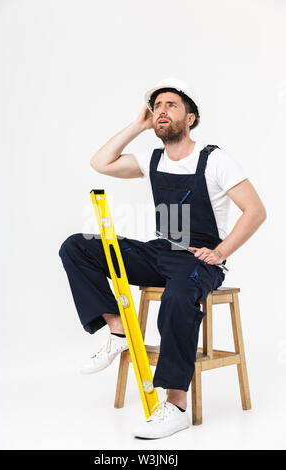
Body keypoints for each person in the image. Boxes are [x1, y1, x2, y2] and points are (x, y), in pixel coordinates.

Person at [59, 78, 266, 439]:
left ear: (191, 118)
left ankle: (175, 404)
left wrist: (220, 252)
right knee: (77, 246)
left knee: (176, 297)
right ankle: (119, 330)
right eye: (156, 107)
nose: (161, 111)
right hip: (159, 250)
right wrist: (137, 125)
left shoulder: (215, 159)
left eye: (171, 105)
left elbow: (255, 211)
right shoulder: (151, 157)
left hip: (198, 260)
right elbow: (100, 162)